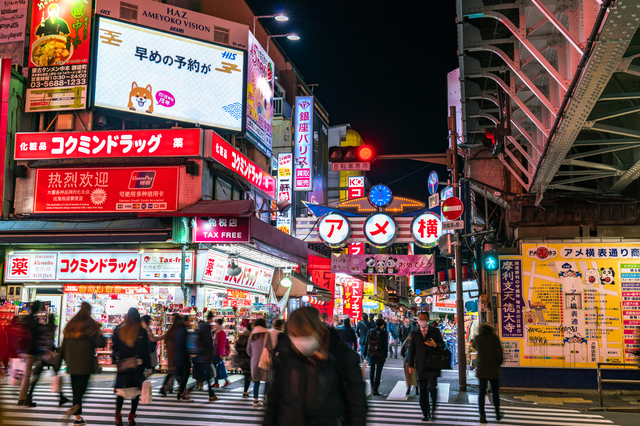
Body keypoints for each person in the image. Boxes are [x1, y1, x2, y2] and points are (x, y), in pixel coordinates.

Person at [263, 306, 368, 425]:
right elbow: (274, 400)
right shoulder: (285, 354)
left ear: (319, 331)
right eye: (295, 336)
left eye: (305, 335)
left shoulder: (343, 357)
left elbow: (357, 405)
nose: (299, 342)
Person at [60, 302, 107, 426]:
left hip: (71, 363)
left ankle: (78, 418)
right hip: (85, 363)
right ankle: (75, 409)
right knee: (82, 391)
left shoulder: (71, 324)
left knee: (76, 390)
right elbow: (101, 343)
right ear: (89, 311)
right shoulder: (90, 324)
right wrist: (99, 331)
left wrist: (59, 363)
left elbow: (63, 346)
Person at [112, 307, 150, 426]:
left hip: (123, 364)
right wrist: (148, 366)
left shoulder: (119, 330)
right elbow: (145, 350)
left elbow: (115, 347)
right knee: (135, 392)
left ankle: (118, 414)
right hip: (136, 365)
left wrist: (116, 359)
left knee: (121, 392)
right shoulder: (142, 331)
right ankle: (131, 416)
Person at [409, 312, 445, 421]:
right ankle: (425, 412)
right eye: (420, 319)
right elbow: (411, 350)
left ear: (428, 320)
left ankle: (433, 408)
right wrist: (411, 365)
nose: (422, 321)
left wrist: (435, 345)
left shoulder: (435, 331)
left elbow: (443, 346)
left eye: (424, 319)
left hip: (433, 365)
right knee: (422, 390)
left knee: (432, 388)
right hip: (420, 365)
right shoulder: (414, 333)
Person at [32, 313, 69, 406]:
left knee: (39, 376)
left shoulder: (46, 328)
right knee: (55, 374)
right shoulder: (51, 329)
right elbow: (49, 341)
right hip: (48, 355)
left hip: (44, 354)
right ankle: (61, 396)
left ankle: (61, 396)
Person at [473, 323, 504, 423]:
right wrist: (499, 362)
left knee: (481, 393)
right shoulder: (494, 337)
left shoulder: (478, 338)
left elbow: (475, 346)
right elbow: (499, 354)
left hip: (482, 369)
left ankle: (482, 415)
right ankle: (498, 413)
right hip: (493, 368)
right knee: (495, 392)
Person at [18, 301, 43, 407]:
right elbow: (36, 338)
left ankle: (25, 396)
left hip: (23, 350)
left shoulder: (25, 319)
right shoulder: (34, 322)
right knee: (28, 376)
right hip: (30, 351)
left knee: (28, 375)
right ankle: (22, 398)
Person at [160, 314, 192, 400]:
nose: (190, 322)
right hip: (181, 356)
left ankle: (170, 389)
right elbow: (182, 344)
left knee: (174, 372)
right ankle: (180, 392)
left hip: (174, 355)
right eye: (188, 320)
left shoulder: (172, 330)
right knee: (184, 374)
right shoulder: (181, 330)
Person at [192, 311, 218, 402]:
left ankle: (211, 393)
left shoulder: (199, 327)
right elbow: (208, 342)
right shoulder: (206, 327)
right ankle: (186, 391)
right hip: (204, 354)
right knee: (205, 375)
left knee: (202, 374)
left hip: (198, 355)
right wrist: (210, 354)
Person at [247, 318, 272, 407]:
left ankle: (255, 400)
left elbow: (248, 349)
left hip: (255, 360)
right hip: (265, 359)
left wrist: (253, 356)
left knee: (256, 380)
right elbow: (270, 348)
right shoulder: (266, 334)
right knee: (267, 380)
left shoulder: (252, 335)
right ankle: (265, 397)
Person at [363, 318, 388, 396]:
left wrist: (364, 353)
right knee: (378, 372)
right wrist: (385, 354)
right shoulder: (384, 332)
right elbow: (385, 345)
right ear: (382, 325)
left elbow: (367, 342)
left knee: (372, 370)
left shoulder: (370, 331)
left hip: (371, 354)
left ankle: (372, 387)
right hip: (380, 355)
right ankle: (375, 390)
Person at [235, 323, 253, 398]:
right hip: (249, 358)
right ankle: (245, 391)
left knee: (247, 375)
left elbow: (236, 346)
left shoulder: (241, 336)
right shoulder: (252, 337)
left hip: (241, 359)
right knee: (248, 375)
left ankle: (245, 391)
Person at [213, 318, 232, 388]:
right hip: (215, 351)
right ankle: (216, 382)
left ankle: (225, 380)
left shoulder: (222, 332)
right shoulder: (216, 331)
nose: (215, 324)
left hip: (218, 352)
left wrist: (221, 353)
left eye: (216, 323)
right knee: (216, 367)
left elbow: (222, 344)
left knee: (219, 367)